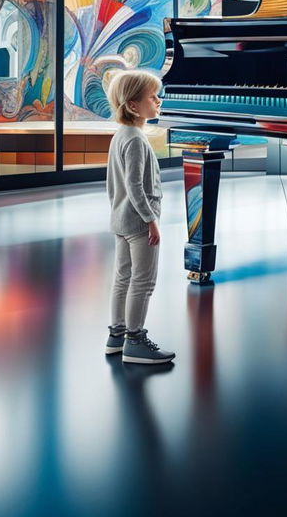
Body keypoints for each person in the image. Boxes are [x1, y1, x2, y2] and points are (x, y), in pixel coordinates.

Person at [104, 69, 175, 365]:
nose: (158, 100)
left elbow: (113, 185)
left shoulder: (121, 135)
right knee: (143, 282)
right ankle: (135, 341)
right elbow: (134, 185)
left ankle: (116, 336)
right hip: (138, 223)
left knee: (122, 278)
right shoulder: (135, 140)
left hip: (120, 220)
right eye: (152, 96)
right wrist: (151, 220)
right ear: (133, 106)